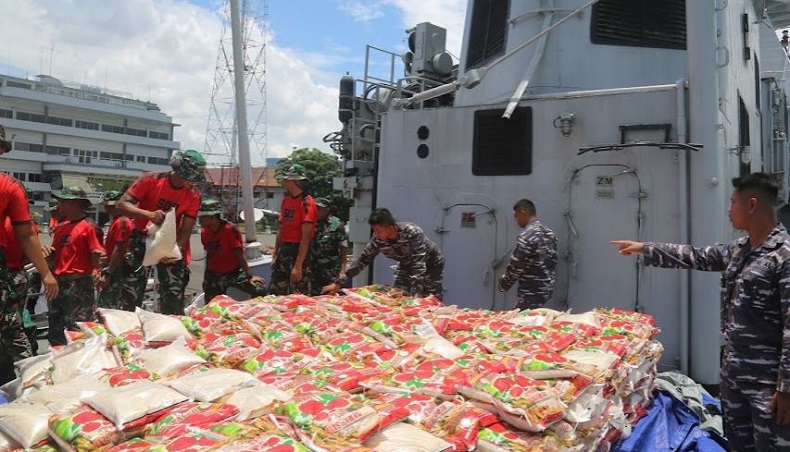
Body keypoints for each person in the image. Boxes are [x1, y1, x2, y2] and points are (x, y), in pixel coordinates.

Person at [611, 172, 790, 451]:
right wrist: (646, 249)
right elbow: (696, 255)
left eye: (733, 203)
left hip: (767, 385)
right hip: (734, 377)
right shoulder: (740, 250)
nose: (729, 210)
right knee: (738, 445)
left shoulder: (784, 255)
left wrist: (786, 388)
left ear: (752, 205)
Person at [116, 149, 204, 315]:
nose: (191, 183)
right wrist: (149, 215)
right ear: (178, 172)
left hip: (170, 241)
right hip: (142, 237)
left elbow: (186, 229)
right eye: (189, 179)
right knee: (131, 289)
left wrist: (175, 250)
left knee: (173, 291)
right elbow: (122, 205)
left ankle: (171, 327)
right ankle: (128, 329)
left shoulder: (193, 195)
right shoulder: (150, 180)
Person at [322, 207, 444, 298]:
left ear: (390, 227)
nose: (376, 234)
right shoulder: (378, 239)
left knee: (428, 298)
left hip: (430, 264)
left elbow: (418, 266)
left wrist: (416, 297)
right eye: (374, 230)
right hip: (406, 264)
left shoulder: (412, 232)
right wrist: (338, 283)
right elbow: (363, 260)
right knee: (397, 295)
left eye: (378, 230)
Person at [47, 187, 105, 345]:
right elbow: (54, 256)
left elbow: (97, 255)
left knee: (78, 328)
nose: (59, 205)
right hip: (59, 282)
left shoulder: (89, 227)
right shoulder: (60, 228)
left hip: (78, 284)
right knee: (55, 327)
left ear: (74, 203)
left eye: (62, 202)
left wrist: (99, 263)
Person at [198, 198, 266, 302]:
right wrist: (206, 279)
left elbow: (239, 255)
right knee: (211, 303)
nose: (199, 221)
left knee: (259, 289)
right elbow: (209, 255)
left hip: (233, 272)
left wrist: (249, 276)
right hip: (214, 274)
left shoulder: (229, 230)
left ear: (212, 217)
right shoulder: (204, 233)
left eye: (202, 217)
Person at [497, 199, 557, 309]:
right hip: (546, 289)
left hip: (531, 292)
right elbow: (552, 262)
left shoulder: (527, 236)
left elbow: (516, 266)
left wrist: (503, 284)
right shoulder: (550, 234)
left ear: (523, 213)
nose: (516, 220)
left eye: (516, 216)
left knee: (520, 322)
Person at [269, 164, 317, 295]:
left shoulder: (307, 202)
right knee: (276, 291)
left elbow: (306, 236)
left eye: (285, 180)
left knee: (298, 294)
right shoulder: (286, 200)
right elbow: (281, 229)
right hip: (284, 250)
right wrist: (275, 255)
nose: (283, 183)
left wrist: (298, 265)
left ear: (291, 181)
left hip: (299, 251)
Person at [98, 190, 145, 311]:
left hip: (116, 269)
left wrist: (108, 273)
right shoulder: (118, 221)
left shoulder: (122, 222)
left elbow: (119, 249)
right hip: (114, 267)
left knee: (110, 304)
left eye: (110, 206)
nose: (107, 208)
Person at [310, 197, 348, 295]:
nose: (317, 211)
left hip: (330, 270)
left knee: (331, 297)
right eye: (315, 208)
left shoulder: (336, 224)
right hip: (313, 269)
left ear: (328, 209)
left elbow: (343, 248)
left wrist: (343, 270)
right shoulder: (310, 222)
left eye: (320, 209)